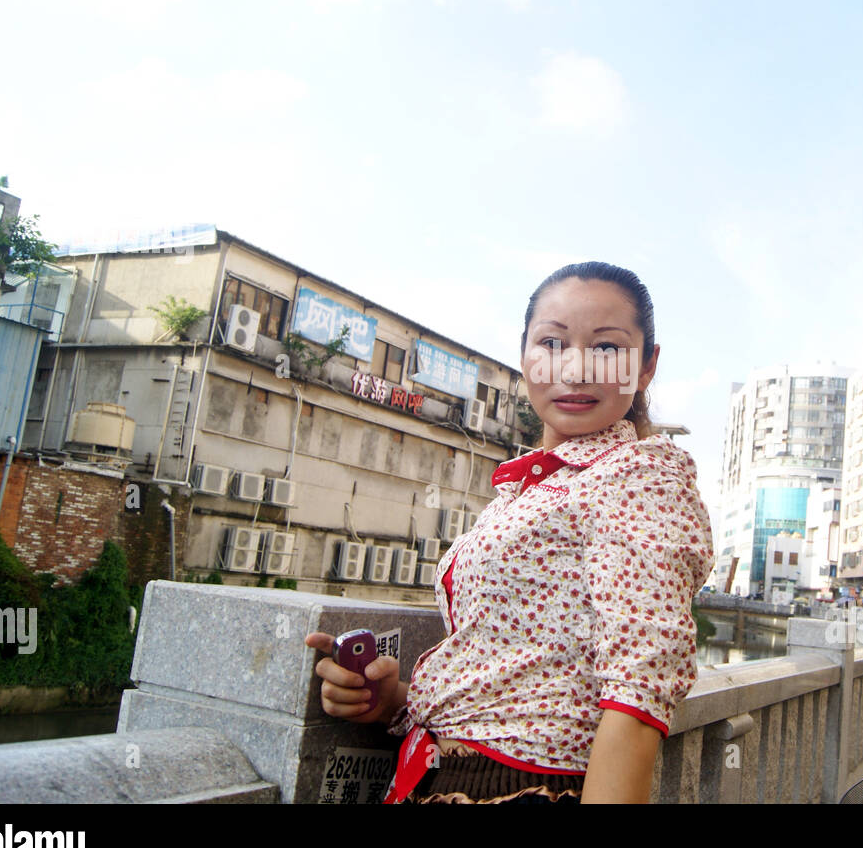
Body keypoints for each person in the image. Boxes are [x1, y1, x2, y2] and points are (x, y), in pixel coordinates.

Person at [305, 261, 716, 804]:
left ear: (646, 367)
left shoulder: (638, 475)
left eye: (608, 348)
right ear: (524, 356)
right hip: (438, 775)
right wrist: (391, 701)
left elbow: (641, 686)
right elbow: (514, 674)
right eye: (552, 342)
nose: (575, 370)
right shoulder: (532, 487)